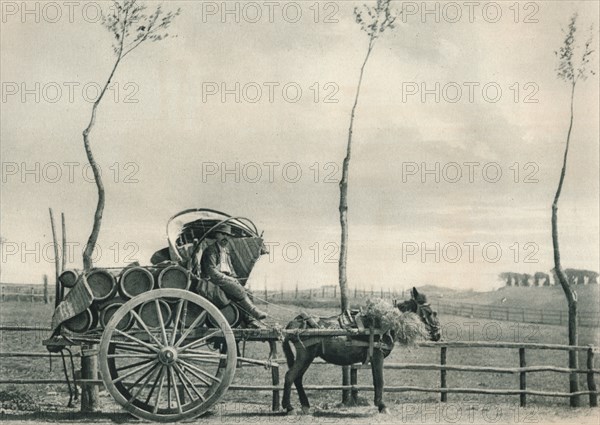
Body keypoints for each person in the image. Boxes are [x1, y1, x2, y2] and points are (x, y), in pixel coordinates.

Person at [200, 223, 267, 323]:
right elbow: (211, 272)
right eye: (222, 234)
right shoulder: (210, 251)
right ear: (216, 235)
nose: (225, 237)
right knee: (238, 289)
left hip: (225, 279)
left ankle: (249, 320)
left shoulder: (226, 251)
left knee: (248, 291)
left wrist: (234, 278)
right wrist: (229, 279)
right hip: (213, 281)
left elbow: (230, 269)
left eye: (227, 235)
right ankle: (254, 311)